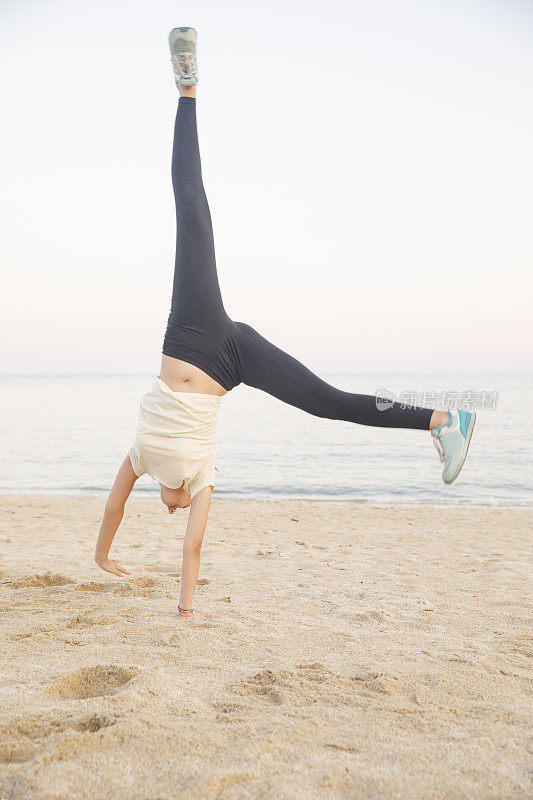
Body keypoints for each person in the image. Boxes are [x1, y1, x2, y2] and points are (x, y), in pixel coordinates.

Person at [94, 28, 476, 617]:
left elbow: (114, 509)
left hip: (192, 329)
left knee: (190, 207)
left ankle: (186, 87)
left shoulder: (141, 459)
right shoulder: (199, 479)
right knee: (328, 401)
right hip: (233, 359)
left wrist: (101, 556)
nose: (168, 507)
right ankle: (444, 419)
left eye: (164, 507)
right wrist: (186, 609)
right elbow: (193, 547)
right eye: (174, 508)